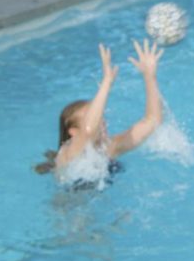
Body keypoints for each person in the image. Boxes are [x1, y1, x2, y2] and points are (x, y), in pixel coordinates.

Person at [35, 40, 164, 181]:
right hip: (71, 202)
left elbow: (153, 121)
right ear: (73, 132)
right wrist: (107, 81)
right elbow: (89, 130)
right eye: (92, 116)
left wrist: (149, 76)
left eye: (100, 116)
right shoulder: (68, 152)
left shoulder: (108, 148)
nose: (100, 121)